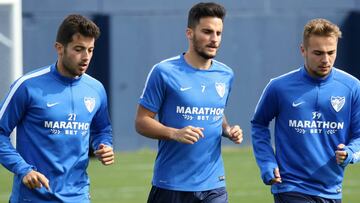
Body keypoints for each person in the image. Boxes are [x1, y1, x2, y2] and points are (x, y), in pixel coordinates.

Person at [135, 2, 243, 203]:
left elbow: (215, 111)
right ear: (189, 33)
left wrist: (227, 129)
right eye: (207, 32)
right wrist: (175, 133)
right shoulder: (164, 72)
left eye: (218, 33)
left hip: (214, 185)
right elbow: (141, 122)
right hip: (172, 184)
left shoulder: (226, 74)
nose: (214, 39)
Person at [0, 14, 114, 202]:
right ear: (59, 48)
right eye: (79, 49)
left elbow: (102, 129)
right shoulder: (27, 86)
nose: (86, 57)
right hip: (32, 198)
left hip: (78, 196)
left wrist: (104, 145)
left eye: (90, 50)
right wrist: (23, 169)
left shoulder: (96, 89)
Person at [251, 18, 360, 203]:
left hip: (332, 190)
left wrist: (350, 153)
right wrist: (267, 162)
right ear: (303, 50)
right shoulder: (279, 87)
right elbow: (259, 125)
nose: (325, 60)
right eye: (318, 53)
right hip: (290, 186)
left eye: (331, 52)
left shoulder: (352, 87)